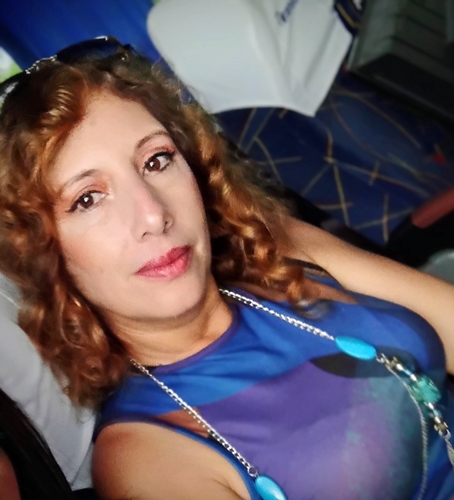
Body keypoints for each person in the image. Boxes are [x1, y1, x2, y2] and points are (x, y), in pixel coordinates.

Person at [0, 37, 454, 500]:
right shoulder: (142, 457)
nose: (153, 215)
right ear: (42, 251)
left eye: (156, 161)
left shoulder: (278, 248)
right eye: (87, 199)